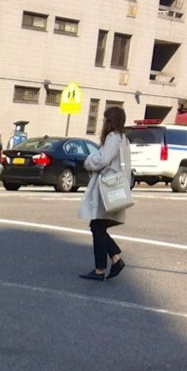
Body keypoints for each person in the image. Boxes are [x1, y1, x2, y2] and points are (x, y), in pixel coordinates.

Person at [77, 104, 131, 281]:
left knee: (97, 226)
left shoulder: (112, 138)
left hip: (106, 189)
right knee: (98, 226)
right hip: (116, 188)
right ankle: (115, 259)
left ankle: (100, 269)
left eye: (105, 119)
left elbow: (102, 160)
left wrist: (88, 161)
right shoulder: (124, 139)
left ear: (110, 121)